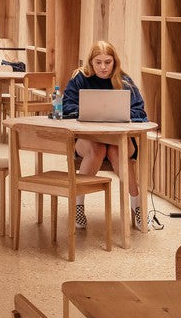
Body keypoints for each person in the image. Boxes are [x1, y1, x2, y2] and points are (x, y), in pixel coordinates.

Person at [62, 40, 150, 231]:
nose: (103, 67)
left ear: (114, 61)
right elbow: (67, 107)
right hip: (89, 139)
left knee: (118, 151)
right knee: (97, 149)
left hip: (118, 139)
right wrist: (89, 112)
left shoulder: (124, 80)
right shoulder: (80, 79)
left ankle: (138, 208)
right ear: (91, 62)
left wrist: (120, 115)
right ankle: (78, 207)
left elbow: (140, 112)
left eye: (108, 62)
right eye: (98, 62)